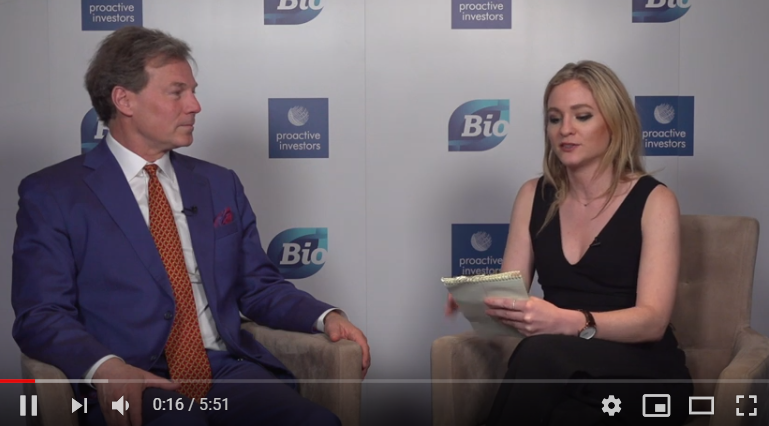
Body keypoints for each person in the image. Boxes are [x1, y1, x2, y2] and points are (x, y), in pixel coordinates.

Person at [12, 26, 370, 426]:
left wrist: (325, 317)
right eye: (177, 92)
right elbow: (40, 314)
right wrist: (105, 367)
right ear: (124, 99)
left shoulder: (219, 183)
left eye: (193, 91)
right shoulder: (55, 193)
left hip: (223, 371)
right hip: (131, 377)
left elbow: (258, 286)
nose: (195, 105)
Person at [445, 60, 692, 425]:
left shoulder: (655, 200)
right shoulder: (532, 195)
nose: (565, 130)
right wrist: (483, 297)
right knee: (562, 407)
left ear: (615, 122)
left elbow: (652, 322)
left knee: (539, 353)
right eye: (555, 118)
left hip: (643, 370)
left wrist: (569, 321)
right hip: (562, 367)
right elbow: (513, 294)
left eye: (582, 116)